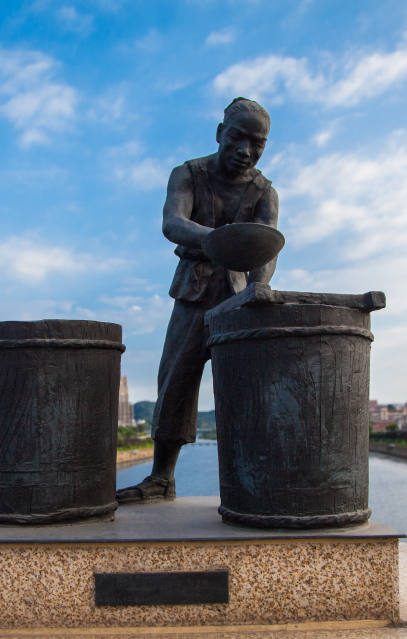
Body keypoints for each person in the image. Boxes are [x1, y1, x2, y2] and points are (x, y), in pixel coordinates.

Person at [116, 97, 279, 504]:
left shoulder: (265, 192)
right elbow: (172, 222)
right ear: (219, 133)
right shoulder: (188, 174)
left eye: (256, 143)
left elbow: (267, 246)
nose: (245, 151)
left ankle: (254, 481)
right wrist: (216, 240)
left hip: (240, 298)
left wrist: (258, 288)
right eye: (237, 138)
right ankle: (162, 478)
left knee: (247, 390)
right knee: (175, 381)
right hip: (194, 291)